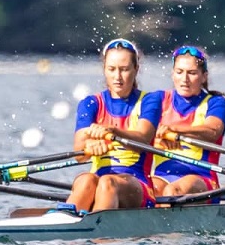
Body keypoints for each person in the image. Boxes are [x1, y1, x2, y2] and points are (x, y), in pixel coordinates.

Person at [61, 38, 162, 213]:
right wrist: (90, 146)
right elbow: (79, 153)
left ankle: (95, 230)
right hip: (97, 179)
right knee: (85, 179)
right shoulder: (90, 103)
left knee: (108, 182)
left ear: (136, 69)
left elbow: (143, 138)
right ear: (104, 69)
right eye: (112, 69)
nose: (117, 77)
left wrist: (113, 132)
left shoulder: (150, 101)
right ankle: (64, 222)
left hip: (137, 184)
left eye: (124, 70)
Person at [150, 46, 225, 198]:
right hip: (161, 176)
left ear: (204, 76)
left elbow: (213, 131)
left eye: (192, 73)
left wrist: (175, 130)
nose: (184, 79)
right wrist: (157, 136)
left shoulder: (216, 103)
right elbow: (139, 129)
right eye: (179, 72)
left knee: (171, 191)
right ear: (173, 74)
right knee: (145, 191)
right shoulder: (158, 99)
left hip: (202, 178)